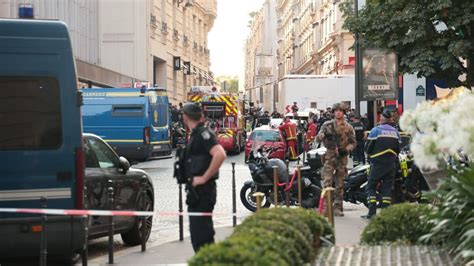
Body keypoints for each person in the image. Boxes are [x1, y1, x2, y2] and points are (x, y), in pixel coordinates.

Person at [181, 103, 227, 252]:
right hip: (197, 193)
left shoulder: (203, 134)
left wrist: (204, 177)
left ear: (185, 117)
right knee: (198, 235)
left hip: (203, 192)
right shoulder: (196, 134)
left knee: (202, 237)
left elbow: (220, 154)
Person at [316, 103, 356, 216]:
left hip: (342, 157)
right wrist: (322, 136)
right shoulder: (327, 125)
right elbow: (317, 138)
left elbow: (353, 143)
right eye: (336, 110)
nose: (338, 112)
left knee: (340, 183)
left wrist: (346, 150)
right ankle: (325, 207)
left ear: (344, 113)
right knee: (327, 181)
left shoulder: (348, 127)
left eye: (341, 111)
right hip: (329, 156)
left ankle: (337, 207)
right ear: (333, 112)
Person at [362, 109, 400, 219]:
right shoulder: (396, 132)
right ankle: (385, 214)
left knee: (371, 187)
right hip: (391, 164)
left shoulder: (375, 131)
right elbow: (398, 149)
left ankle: (372, 212)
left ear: (382, 118)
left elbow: (368, 148)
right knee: (387, 188)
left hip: (378, 164)